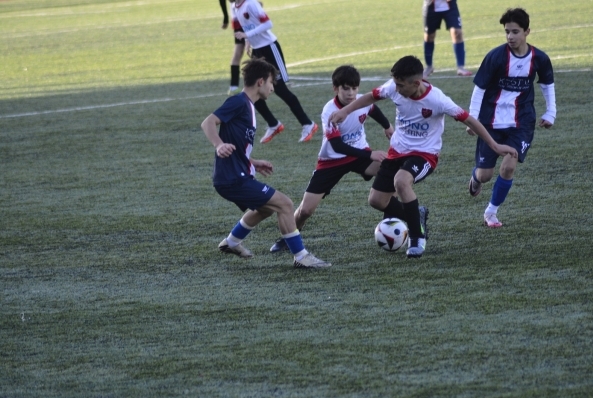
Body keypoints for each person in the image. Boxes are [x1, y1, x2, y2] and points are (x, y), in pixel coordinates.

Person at [329, 56, 517, 258]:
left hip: (425, 155)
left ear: (416, 83)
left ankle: (417, 238)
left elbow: (469, 120)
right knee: (376, 200)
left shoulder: (437, 100)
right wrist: (346, 111)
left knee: (401, 181)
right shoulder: (394, 87)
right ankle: (416, 213)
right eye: (396, 84)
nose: (396, 89)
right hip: (397, 151)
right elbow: (371, 96)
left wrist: (494, 145)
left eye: (401, 85)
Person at [201, 58, 331, 268]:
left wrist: (252, 162)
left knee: (266, 208)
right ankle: (301, 257)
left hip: (237, 174)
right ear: (260, 82)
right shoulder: (238, 102)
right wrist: (218, 145)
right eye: (272, 82)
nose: (273, 87)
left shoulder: (248, 106)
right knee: (285, 204)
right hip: (233, 178)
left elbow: (237, 145)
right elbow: (208, 122)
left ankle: (231, 242)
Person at [269, 65, 394, 253]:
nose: (351, 93)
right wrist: (370, 154)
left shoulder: (361, 101)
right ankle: (288, 238)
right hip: (332, 161)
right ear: (335, 88)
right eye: (346, 88)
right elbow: (337, 146)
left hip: (359, 154)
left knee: (392, 169)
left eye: (354, 88)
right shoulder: (330, 110)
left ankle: (392, 216)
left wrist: (387, 126)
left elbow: (373, 109)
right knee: (306, 210)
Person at [466, 7, 556, 228]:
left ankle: (491, 212)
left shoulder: (539, 58)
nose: (510, 36)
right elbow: (479, 88)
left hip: (521, 122)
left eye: (515, 32)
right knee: (485, 175)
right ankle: (476, 178)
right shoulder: (496, 56)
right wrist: (473, 119)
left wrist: (551, 112)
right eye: (507, 31)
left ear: (527, 32)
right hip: (490, 122)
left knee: (508, 167)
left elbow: (547, 84)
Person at [232, 0, 318, 143]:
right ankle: (273, 124)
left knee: (280, 89)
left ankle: (308, 124)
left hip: (270, 48)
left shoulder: (251, 3)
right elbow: (249, 25)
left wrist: (247, 35)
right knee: (252, 90)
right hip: (257, 51)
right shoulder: (236, 7)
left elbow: (268, 24)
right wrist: (248, 41)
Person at [422, 0, 472, 77]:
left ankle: (461, 67)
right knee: (429, 36)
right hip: (431, 6)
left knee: (457, 32)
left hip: (450, 7)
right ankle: (429, 66)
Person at [219, 0, 248, 95]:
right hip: (244, 18)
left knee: (239, 51)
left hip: (239, 18)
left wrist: (225, 18)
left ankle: (233, 86)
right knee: (258, 48)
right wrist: (225, 18)